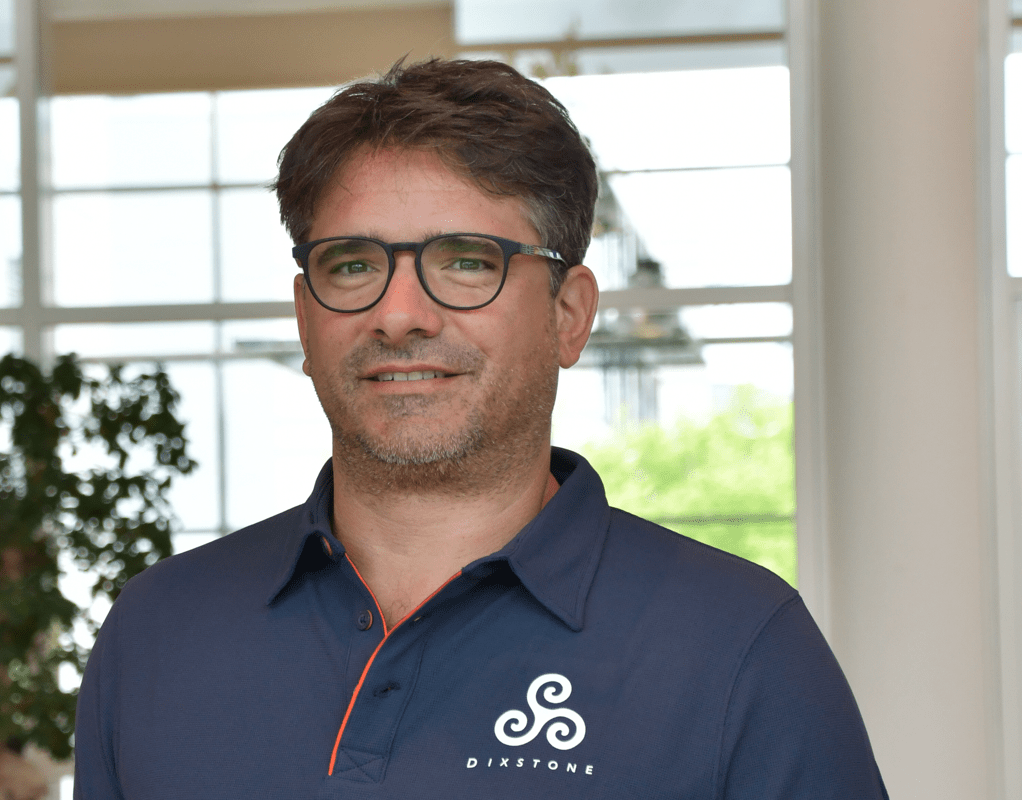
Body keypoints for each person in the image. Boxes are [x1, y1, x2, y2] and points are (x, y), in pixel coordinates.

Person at [73, 58, 887, 798]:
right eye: (352, 265)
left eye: (467, 261)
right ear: (304, 317)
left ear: (569, 315)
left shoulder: (741, 648)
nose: (399, 315)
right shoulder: (155, 632)